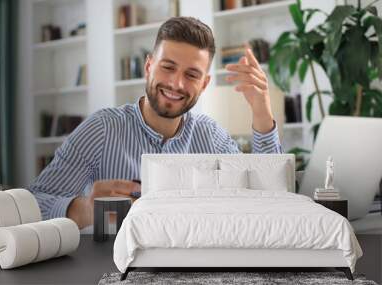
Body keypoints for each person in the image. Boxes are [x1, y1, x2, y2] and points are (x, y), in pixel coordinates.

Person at [29, 17, 283, 229]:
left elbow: (267, 196)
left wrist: (261, 110)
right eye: (168, 67)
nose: (176, 84)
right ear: (149, 66)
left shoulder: (211, 135)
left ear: (204, 84)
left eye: (191, 74)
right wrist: (83, 209)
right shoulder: (102, 129)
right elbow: (31, 203)